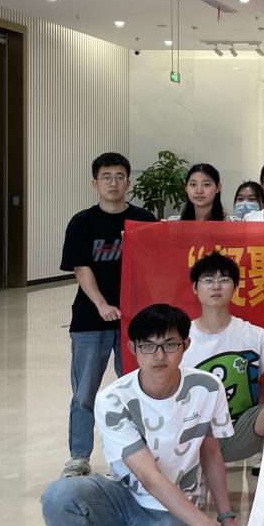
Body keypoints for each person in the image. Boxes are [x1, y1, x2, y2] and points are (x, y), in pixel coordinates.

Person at [32, 304, 254, 526]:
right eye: (148, 346)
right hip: (123, 497)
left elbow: (210, 452)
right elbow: (149, 478)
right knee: (59, 496)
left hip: (173, 511)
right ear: (133, 348)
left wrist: (226, 517)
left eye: (170, 344)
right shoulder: (114, 399)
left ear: (185, 345)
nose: (159, 355)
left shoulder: (207, 388)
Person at [59, 152, 158, 478]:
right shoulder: (82, 222)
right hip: (90, 321)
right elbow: (81, 268)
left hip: (135, 322)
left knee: (137, 391)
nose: (113, 183)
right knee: (84, 393)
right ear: (95, 183)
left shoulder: (143, 219)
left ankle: (135, 457)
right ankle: (79, 456)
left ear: (128, 182)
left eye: (119, 176)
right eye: (106, 177)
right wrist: (102, 305)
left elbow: (157, 264)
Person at [184, 252, 264, 463]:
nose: (216, 286)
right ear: (195, 288)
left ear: (235, 287)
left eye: (224, 280)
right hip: (190, 435)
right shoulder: (180, 338)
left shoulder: (255, 336)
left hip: (240, 432)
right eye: (208, 280)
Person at [169, 163, 233, 221]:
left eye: (206, 184)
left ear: (218, 188)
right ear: (186, 188)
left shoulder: (233, 223)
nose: (199, 191)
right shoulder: (173, 223)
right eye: (193, 184)